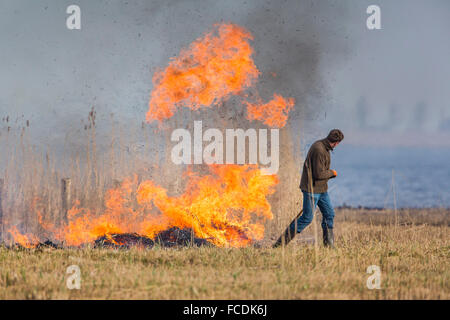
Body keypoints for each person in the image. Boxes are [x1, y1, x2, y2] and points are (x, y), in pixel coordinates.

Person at [273, 129, 344, 248]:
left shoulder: (325, 147)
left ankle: (328, 245)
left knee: (329, 214)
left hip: (321, 190)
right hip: (311, 190)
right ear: (336, 143)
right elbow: (318, 174)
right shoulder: (319, 149)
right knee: (307, 218)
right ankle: (280, 244)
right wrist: (332, 173)